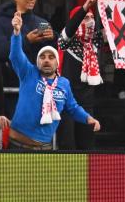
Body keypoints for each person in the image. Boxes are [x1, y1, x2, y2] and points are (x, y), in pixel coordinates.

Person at [7, 11, 100, 150]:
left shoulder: (64, 83)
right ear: (37, 61)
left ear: (57, 63)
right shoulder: (29, 72)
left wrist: (88, 118)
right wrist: (16, 33)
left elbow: (73, 108)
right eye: (42, 57)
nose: (46, 60)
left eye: (51, 57)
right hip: (18, 145)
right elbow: (15, 55)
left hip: (45, 148)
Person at [57, 0, 106, 150]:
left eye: (92, 17)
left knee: (87, 146)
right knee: (68, 145)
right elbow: (71, 27)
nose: (90, 21)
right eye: (85, 18)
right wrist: (85, 6)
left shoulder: (95, 42)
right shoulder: (66, 42)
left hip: (87, 102)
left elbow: (117, 28)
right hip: (66, 102)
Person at [0, 0, 55, 68]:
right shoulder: (1, 22)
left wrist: (53, 38)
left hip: (37, 78)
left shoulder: (42, 23)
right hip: (10, 78)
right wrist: (27, 41)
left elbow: (51, 54)